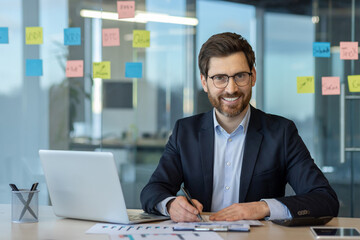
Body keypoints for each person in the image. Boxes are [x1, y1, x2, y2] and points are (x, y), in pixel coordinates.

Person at [140, 32, 339, 223]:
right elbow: (152, 191)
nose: (231, 88)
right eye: (220, 78)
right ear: (204, 82)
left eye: (240, 76)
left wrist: (262, 208)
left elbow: (325, 199)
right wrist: (171, 204)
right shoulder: (185, 132)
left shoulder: (281, 133)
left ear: (253, 76)